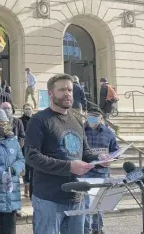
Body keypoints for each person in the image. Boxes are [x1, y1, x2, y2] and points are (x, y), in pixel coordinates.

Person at [24, 74, 111, 234]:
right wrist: (69, 167)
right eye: (62, 89)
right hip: (48, 198)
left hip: (76, 197)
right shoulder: (39, 120)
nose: (67, 93)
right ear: (50, 93)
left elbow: (84, 151)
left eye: (70, 90)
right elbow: (31, 156)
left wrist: (98, 158)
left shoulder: (77, 120)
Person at [83, 107, 119, 234]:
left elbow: (115, 150)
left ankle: (97, 228)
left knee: (99, 202)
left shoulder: (109, 133)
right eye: (89, 116)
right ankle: (86, 229)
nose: (91, 119)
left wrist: (112, 158)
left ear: (101, 118)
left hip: (102, 173)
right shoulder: (81, 130)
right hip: (85, 171)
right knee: (86, 203)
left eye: (94, 116)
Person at [19, 103, 34, 198]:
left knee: (32, 169)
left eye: (29, 109)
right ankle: (26, 188)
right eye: (26, 109)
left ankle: (31, 190)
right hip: (23, 148)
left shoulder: (36, 120)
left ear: (32, 110)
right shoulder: (20, 120)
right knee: (25, 169)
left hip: (34, 148)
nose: (28, 110)